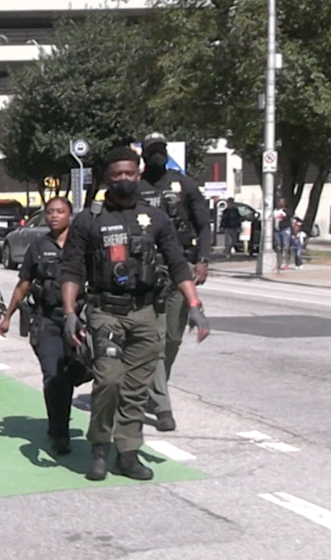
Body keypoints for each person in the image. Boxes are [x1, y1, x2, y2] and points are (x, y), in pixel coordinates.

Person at [60, 147, 210, 482]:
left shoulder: (155, 219)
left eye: (129, 173)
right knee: (109, 379)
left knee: (136, 389)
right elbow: (71, 270)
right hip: (105, 312)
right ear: (107, 178)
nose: (124, 180)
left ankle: (127, 453)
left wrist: (195, 306)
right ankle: (99, 447)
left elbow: (176, 264)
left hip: (145, 312)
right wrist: (70, 313)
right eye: (117, 175)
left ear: (138, 174)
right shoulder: (89, 220)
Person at [138, 132, 212, 434]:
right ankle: (161, 404)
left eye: (160, 151)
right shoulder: (136, 187)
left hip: (179, 268)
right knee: (154, 340)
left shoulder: (183, 184)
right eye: (151, 151)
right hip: (146, 271)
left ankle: (154, 388)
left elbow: (204, 223)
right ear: (143, 155)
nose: (156, 156)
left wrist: (203, 260)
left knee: (172, 338)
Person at [0, 197, 83, 455]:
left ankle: (60, 421)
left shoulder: (82, 245)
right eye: (50, 212)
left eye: (60, 211)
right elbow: (24, 282)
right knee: (52, 376)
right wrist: (7, 315)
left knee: (71, 376)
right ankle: (59, 432)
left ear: (70, 215)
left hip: (77, 320)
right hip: (46, 319)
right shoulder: (38, 245)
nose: (54, 216)